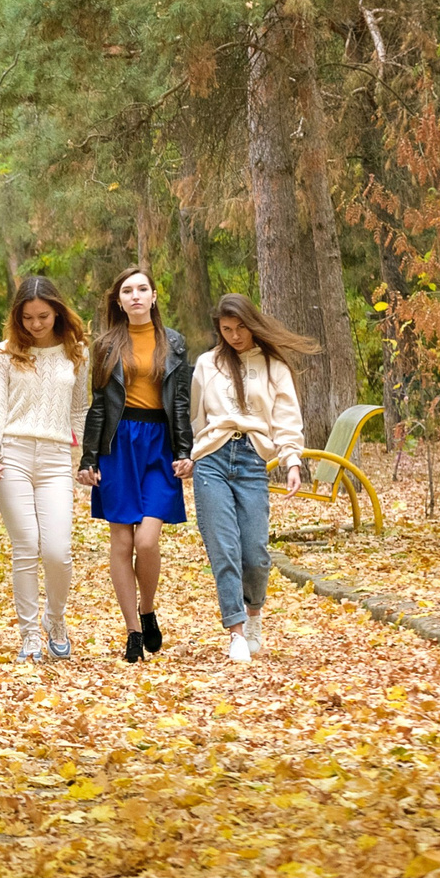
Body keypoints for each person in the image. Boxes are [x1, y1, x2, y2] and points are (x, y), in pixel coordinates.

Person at [188, 293, 311, 663]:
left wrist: (292, 461)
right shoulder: (207, 364)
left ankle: (253, 613)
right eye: (227, 329)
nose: (235, 336)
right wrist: (192, 453)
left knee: (255, 553)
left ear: (252, 324)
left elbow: (286, 418)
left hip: (252, 459)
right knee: (224, 548)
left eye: (241, 327)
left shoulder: (273, 366)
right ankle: (236, 632)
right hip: (212, 458)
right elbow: (195, 417)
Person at [81, 268, 192, 663]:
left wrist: (185, 451)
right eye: (127, 291)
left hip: (159, 443)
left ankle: (147, 609)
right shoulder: (106, 345)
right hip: (118, 444)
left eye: (142, 289)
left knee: (146, 541)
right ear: (119, 301)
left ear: (154, 296)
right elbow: (99, 404)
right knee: (122, 542)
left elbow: (181, 402)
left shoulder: (174, 343)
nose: (136, 296)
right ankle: (132, 630)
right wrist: (89, 457)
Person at [0, 275, 92, 662]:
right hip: (12, 453)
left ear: (57, 312)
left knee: (58, 551)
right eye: (27, 318)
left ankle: (55, 620)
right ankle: (29, 634)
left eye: (43, 316)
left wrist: (85, 457)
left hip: (56, 457)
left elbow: (79, 409)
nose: (35, 324)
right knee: (26, 545)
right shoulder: (5, 354)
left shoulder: (77, 352)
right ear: (18, 317)